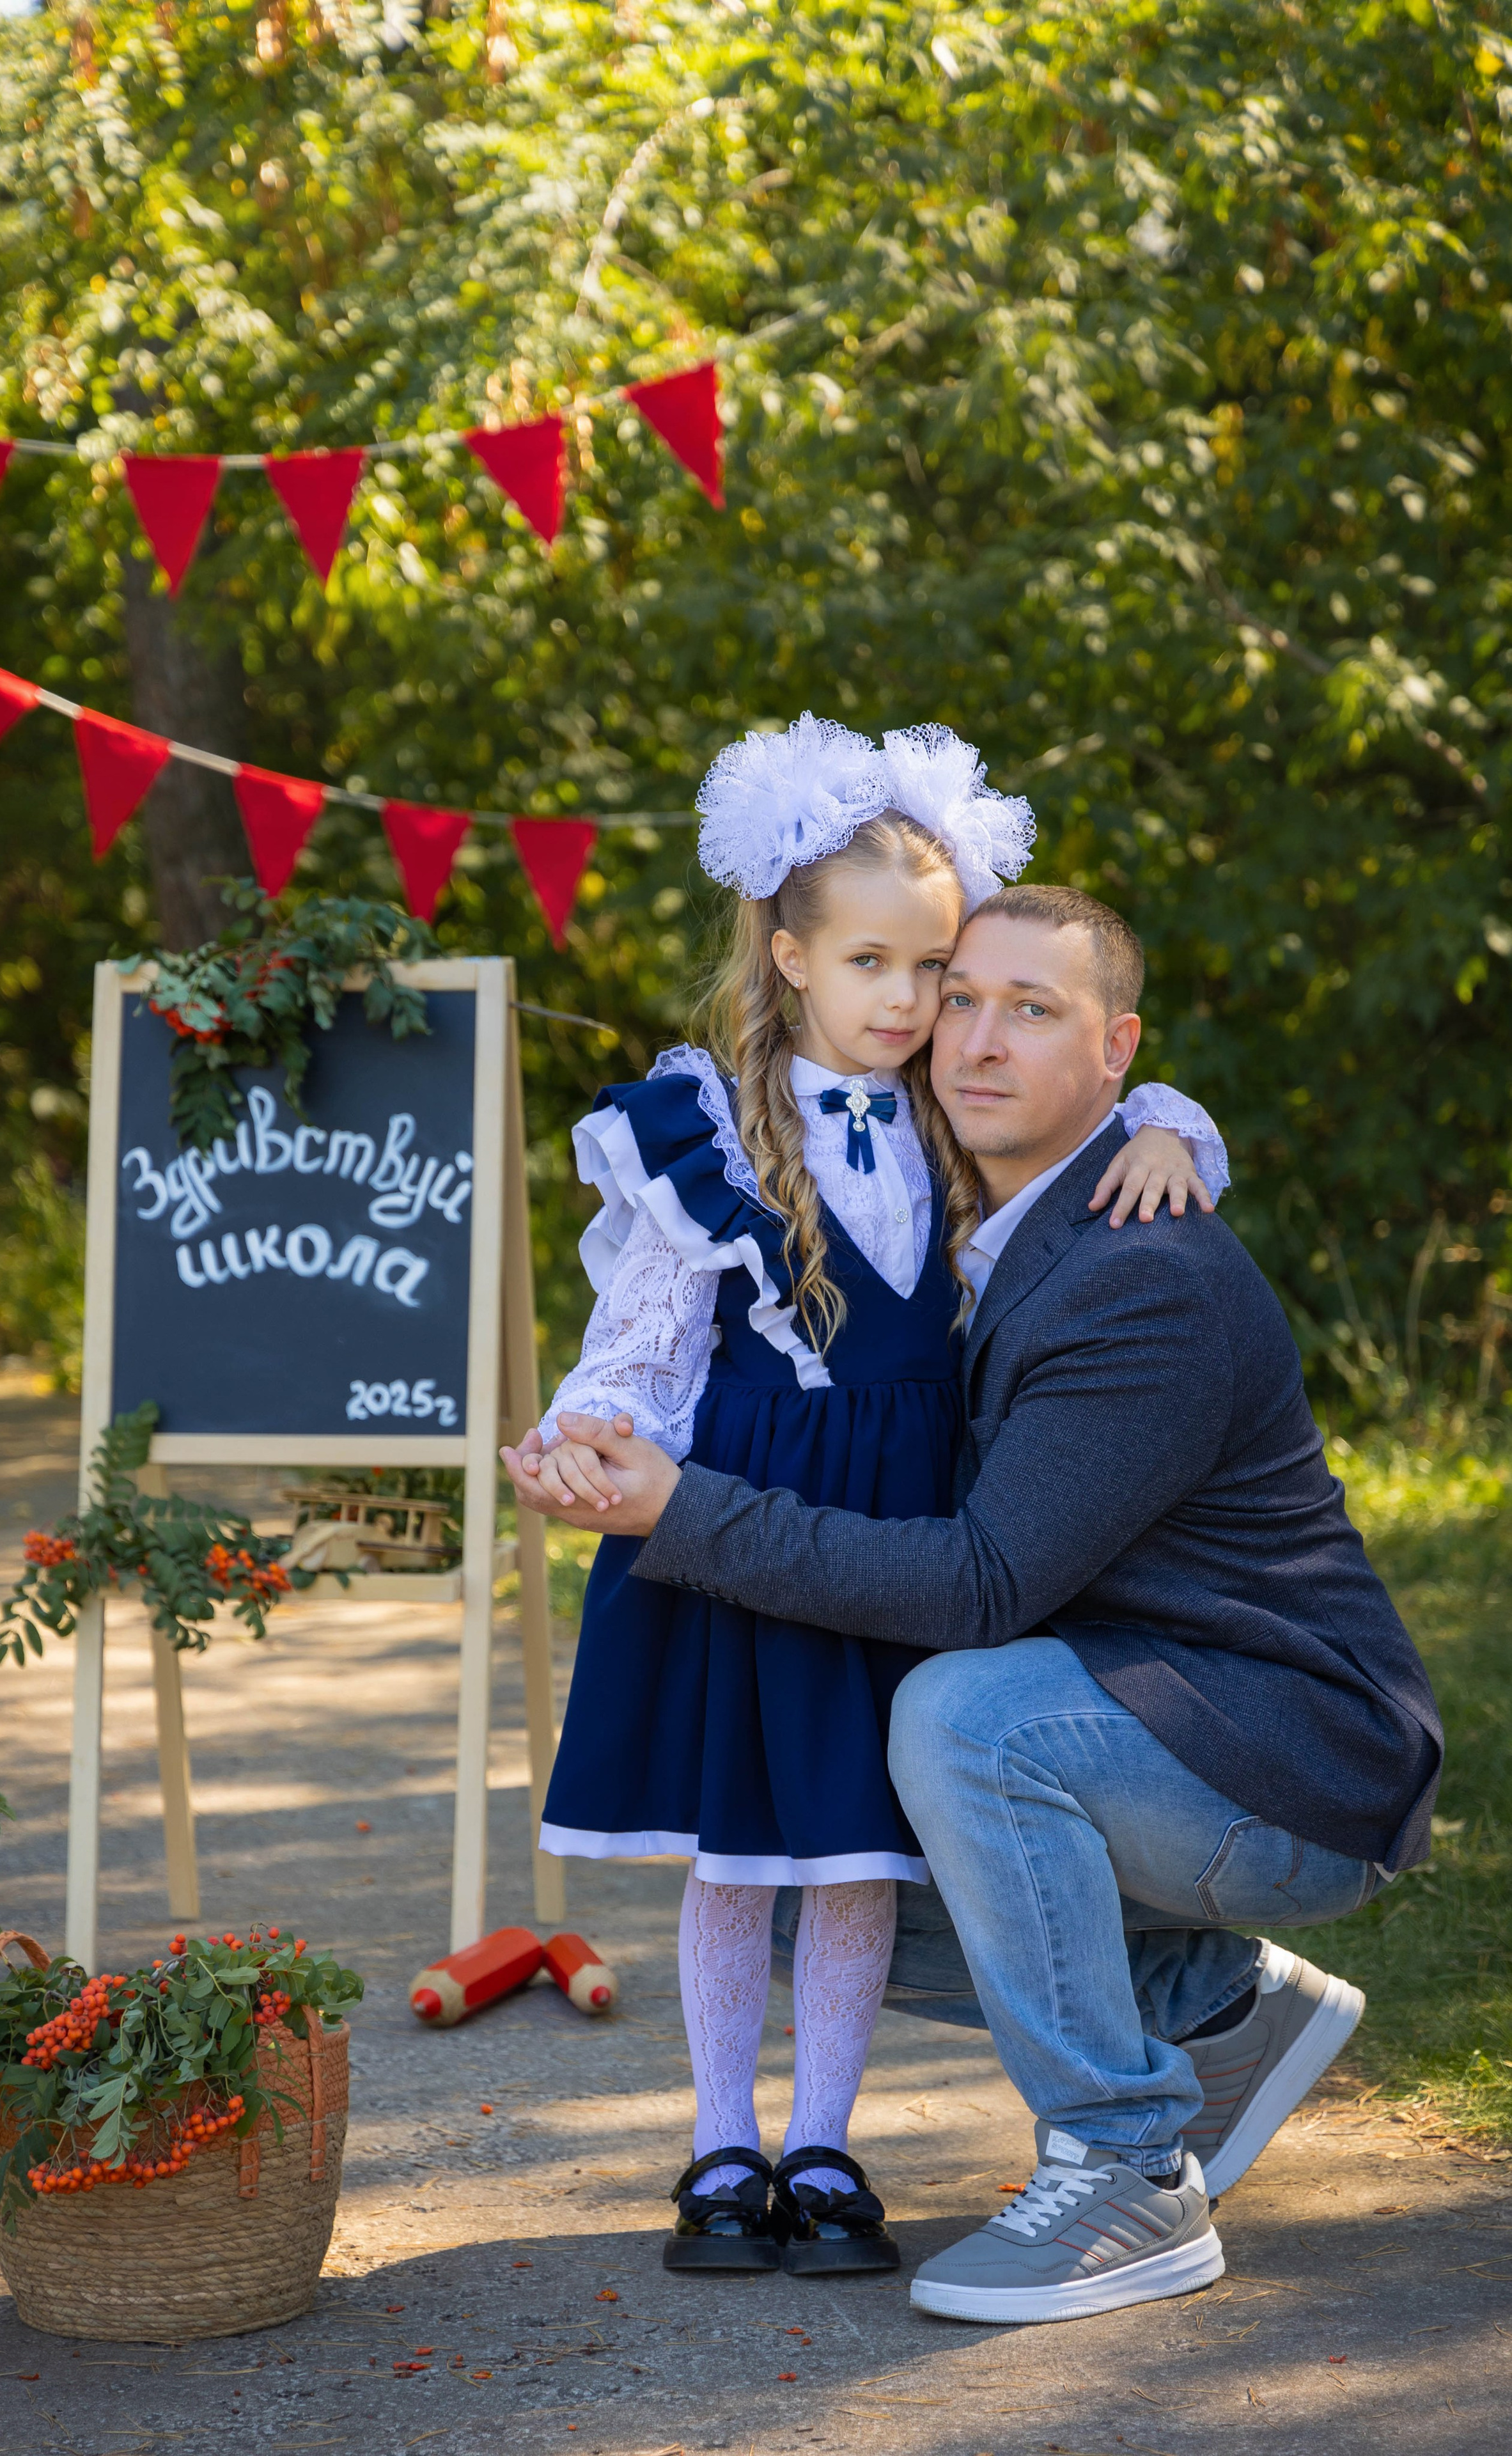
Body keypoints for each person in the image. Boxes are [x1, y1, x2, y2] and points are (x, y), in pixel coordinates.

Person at [508, 882, 1442, 2327]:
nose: (977, 1039)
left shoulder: (1142, 1272)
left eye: (1034, 1010)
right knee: (789, 1868)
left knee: (962, 1720)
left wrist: (681, 1513)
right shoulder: (969, 1212)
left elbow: (979, 1584)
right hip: (1140, 1708)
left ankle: (1129, 2169)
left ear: (1116, 1047)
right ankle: (1213, 2003)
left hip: (1281, 1751)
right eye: (960, 997)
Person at [518, 718, 1227, 2278]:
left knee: (850, 1856)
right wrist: (581, 1433)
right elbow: (637, 1339)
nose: (910, 1003)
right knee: (734, 1859)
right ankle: (720, 2142)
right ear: (787, 957)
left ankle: (828, 2145)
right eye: (874, 967)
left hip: (900, 1537)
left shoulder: (946, 1109)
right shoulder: (700, 1126)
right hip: (737, 1519)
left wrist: (1171, 1124)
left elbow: (1097, 1089)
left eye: (932, 969)